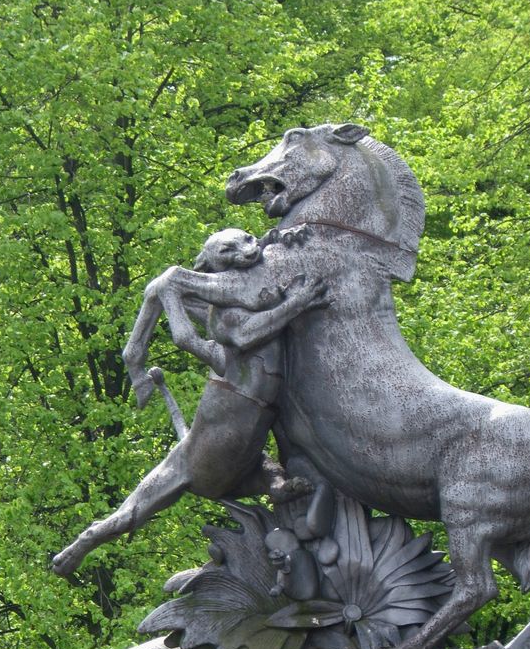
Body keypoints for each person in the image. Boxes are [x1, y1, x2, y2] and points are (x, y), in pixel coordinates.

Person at [52, 227, 327, 576]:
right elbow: (245, 333)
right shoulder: (226, 318)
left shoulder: (241, 292)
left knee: (269, 469)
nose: (248, 250)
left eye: (247, 238)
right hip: (197, 463)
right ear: (211, 264)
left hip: (245, 456)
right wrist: (297, 303)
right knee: (128, 515)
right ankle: (84, 542)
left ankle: (277, 487)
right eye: (230, 251)